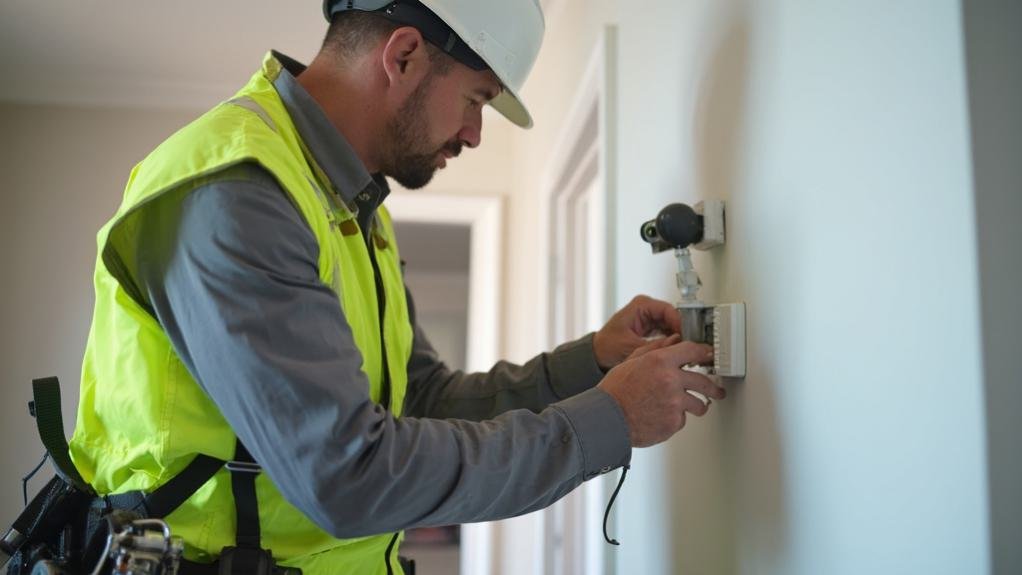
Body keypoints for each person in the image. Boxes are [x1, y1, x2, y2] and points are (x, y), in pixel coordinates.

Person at [67, 0, 727, 573]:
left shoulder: (353, 208)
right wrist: (609, 420)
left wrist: (592, 363)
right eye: (477, 99)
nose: (472, 133)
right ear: (405, 55)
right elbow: (348, 474)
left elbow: (422, 398)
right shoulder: (240, 193)